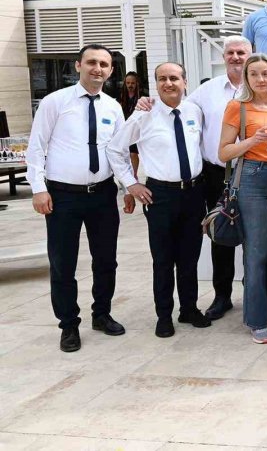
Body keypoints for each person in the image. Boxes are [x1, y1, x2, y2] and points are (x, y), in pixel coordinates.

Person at [25, 44, 129, 353]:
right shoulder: (55, 102)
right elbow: (36, 147)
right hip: (63, 196)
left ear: (111, 71)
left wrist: (128, 186)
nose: (98, 68)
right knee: (63, 263)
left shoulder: (113, 107)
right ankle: (69, 325)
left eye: (104, 64)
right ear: (78, 66)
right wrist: (38, 188)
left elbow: (119, 153)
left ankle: (102, 314)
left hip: (102, 194)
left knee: (106, 260)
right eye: (92, 62)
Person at [107, 63, 211, 338]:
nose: (169, 83)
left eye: (174, 78)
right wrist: (131, 183)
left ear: (184, 82)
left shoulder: (194, 111)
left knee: (190, 257)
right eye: (162, 79)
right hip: (161, 195)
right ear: (156, 84)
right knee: (163, 259)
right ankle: (164, 315)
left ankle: (189, 308)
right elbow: (115, 149)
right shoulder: (144, 114)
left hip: (193, 193)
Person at [218, 53, 267, 344]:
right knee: (256, 251)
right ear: (247, 78)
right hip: (253, 177)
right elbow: (223, 152)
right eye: (255, 75)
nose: (261, 79)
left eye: (265, 74)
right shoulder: (237, 108)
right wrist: (251, 142)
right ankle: (256, 317)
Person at [182, 35, 251, 320]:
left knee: (256, 237)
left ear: (251, 55)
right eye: (231, 53)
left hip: (253, 172)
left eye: (241, 52)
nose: (236, 57)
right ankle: (222, 296)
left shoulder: (264, 87)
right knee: (221, 234)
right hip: (216, 174)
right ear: (224, 57)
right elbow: (180, 114)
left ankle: (255, 293)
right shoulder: (205, 92)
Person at [118, 71, 146, 174]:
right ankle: (126, 174)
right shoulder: (120, 96)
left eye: (132, 83)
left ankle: (134, 175)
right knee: (124, 153)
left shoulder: (142, 96)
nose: (130, 85)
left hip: (137, 129)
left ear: (137, 83)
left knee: (134, 153)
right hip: (124, 128)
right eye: (128, 83)